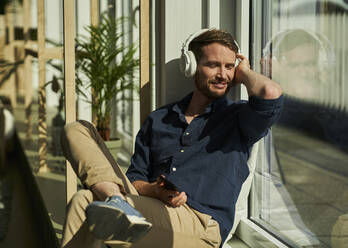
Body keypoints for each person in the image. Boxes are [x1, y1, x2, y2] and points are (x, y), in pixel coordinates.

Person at [60, 29, 283, 248]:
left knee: (85, 202)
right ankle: (116, 201)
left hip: (200, 224)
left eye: (229, 67)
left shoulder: (239, 119)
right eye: (213, 65)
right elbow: (136, 177)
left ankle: (117, 205)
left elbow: (270, 93)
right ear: (193, 66)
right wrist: (154, 190)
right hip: (151, 207)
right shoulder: (159, 119)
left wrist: (243, 73)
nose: (223, 74)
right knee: (77, 129)